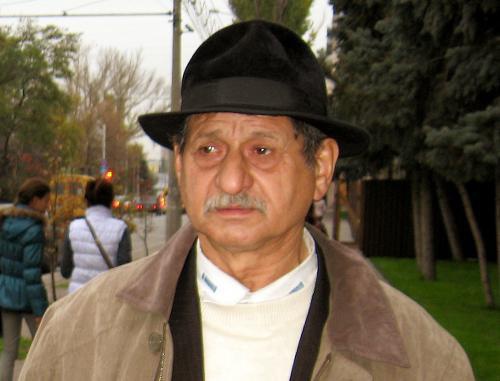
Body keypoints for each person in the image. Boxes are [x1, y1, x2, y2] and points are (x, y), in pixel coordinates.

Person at [19, 21, 474, 381]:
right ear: (179, 163)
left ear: (320, 167)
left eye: (262, 150)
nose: (232, 178)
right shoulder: (77, 336)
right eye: (208, 149)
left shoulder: (423, 360)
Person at [0, 178, 50, 381]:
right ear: (35, 200)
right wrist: (41, 310)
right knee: (43, 347)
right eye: (46, 200)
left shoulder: (4, 222)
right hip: (29, 299)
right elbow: (31, 273)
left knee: (9, 351)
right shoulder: (34, 229)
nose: (47, 206)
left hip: (6, 293)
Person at [60, 179, 131, 293]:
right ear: (111, 200)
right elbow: (124, 272)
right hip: (106, 298)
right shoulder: (121, 229)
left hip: (77, 298)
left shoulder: (74, 227)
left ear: (86, 200)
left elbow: (65, 271)